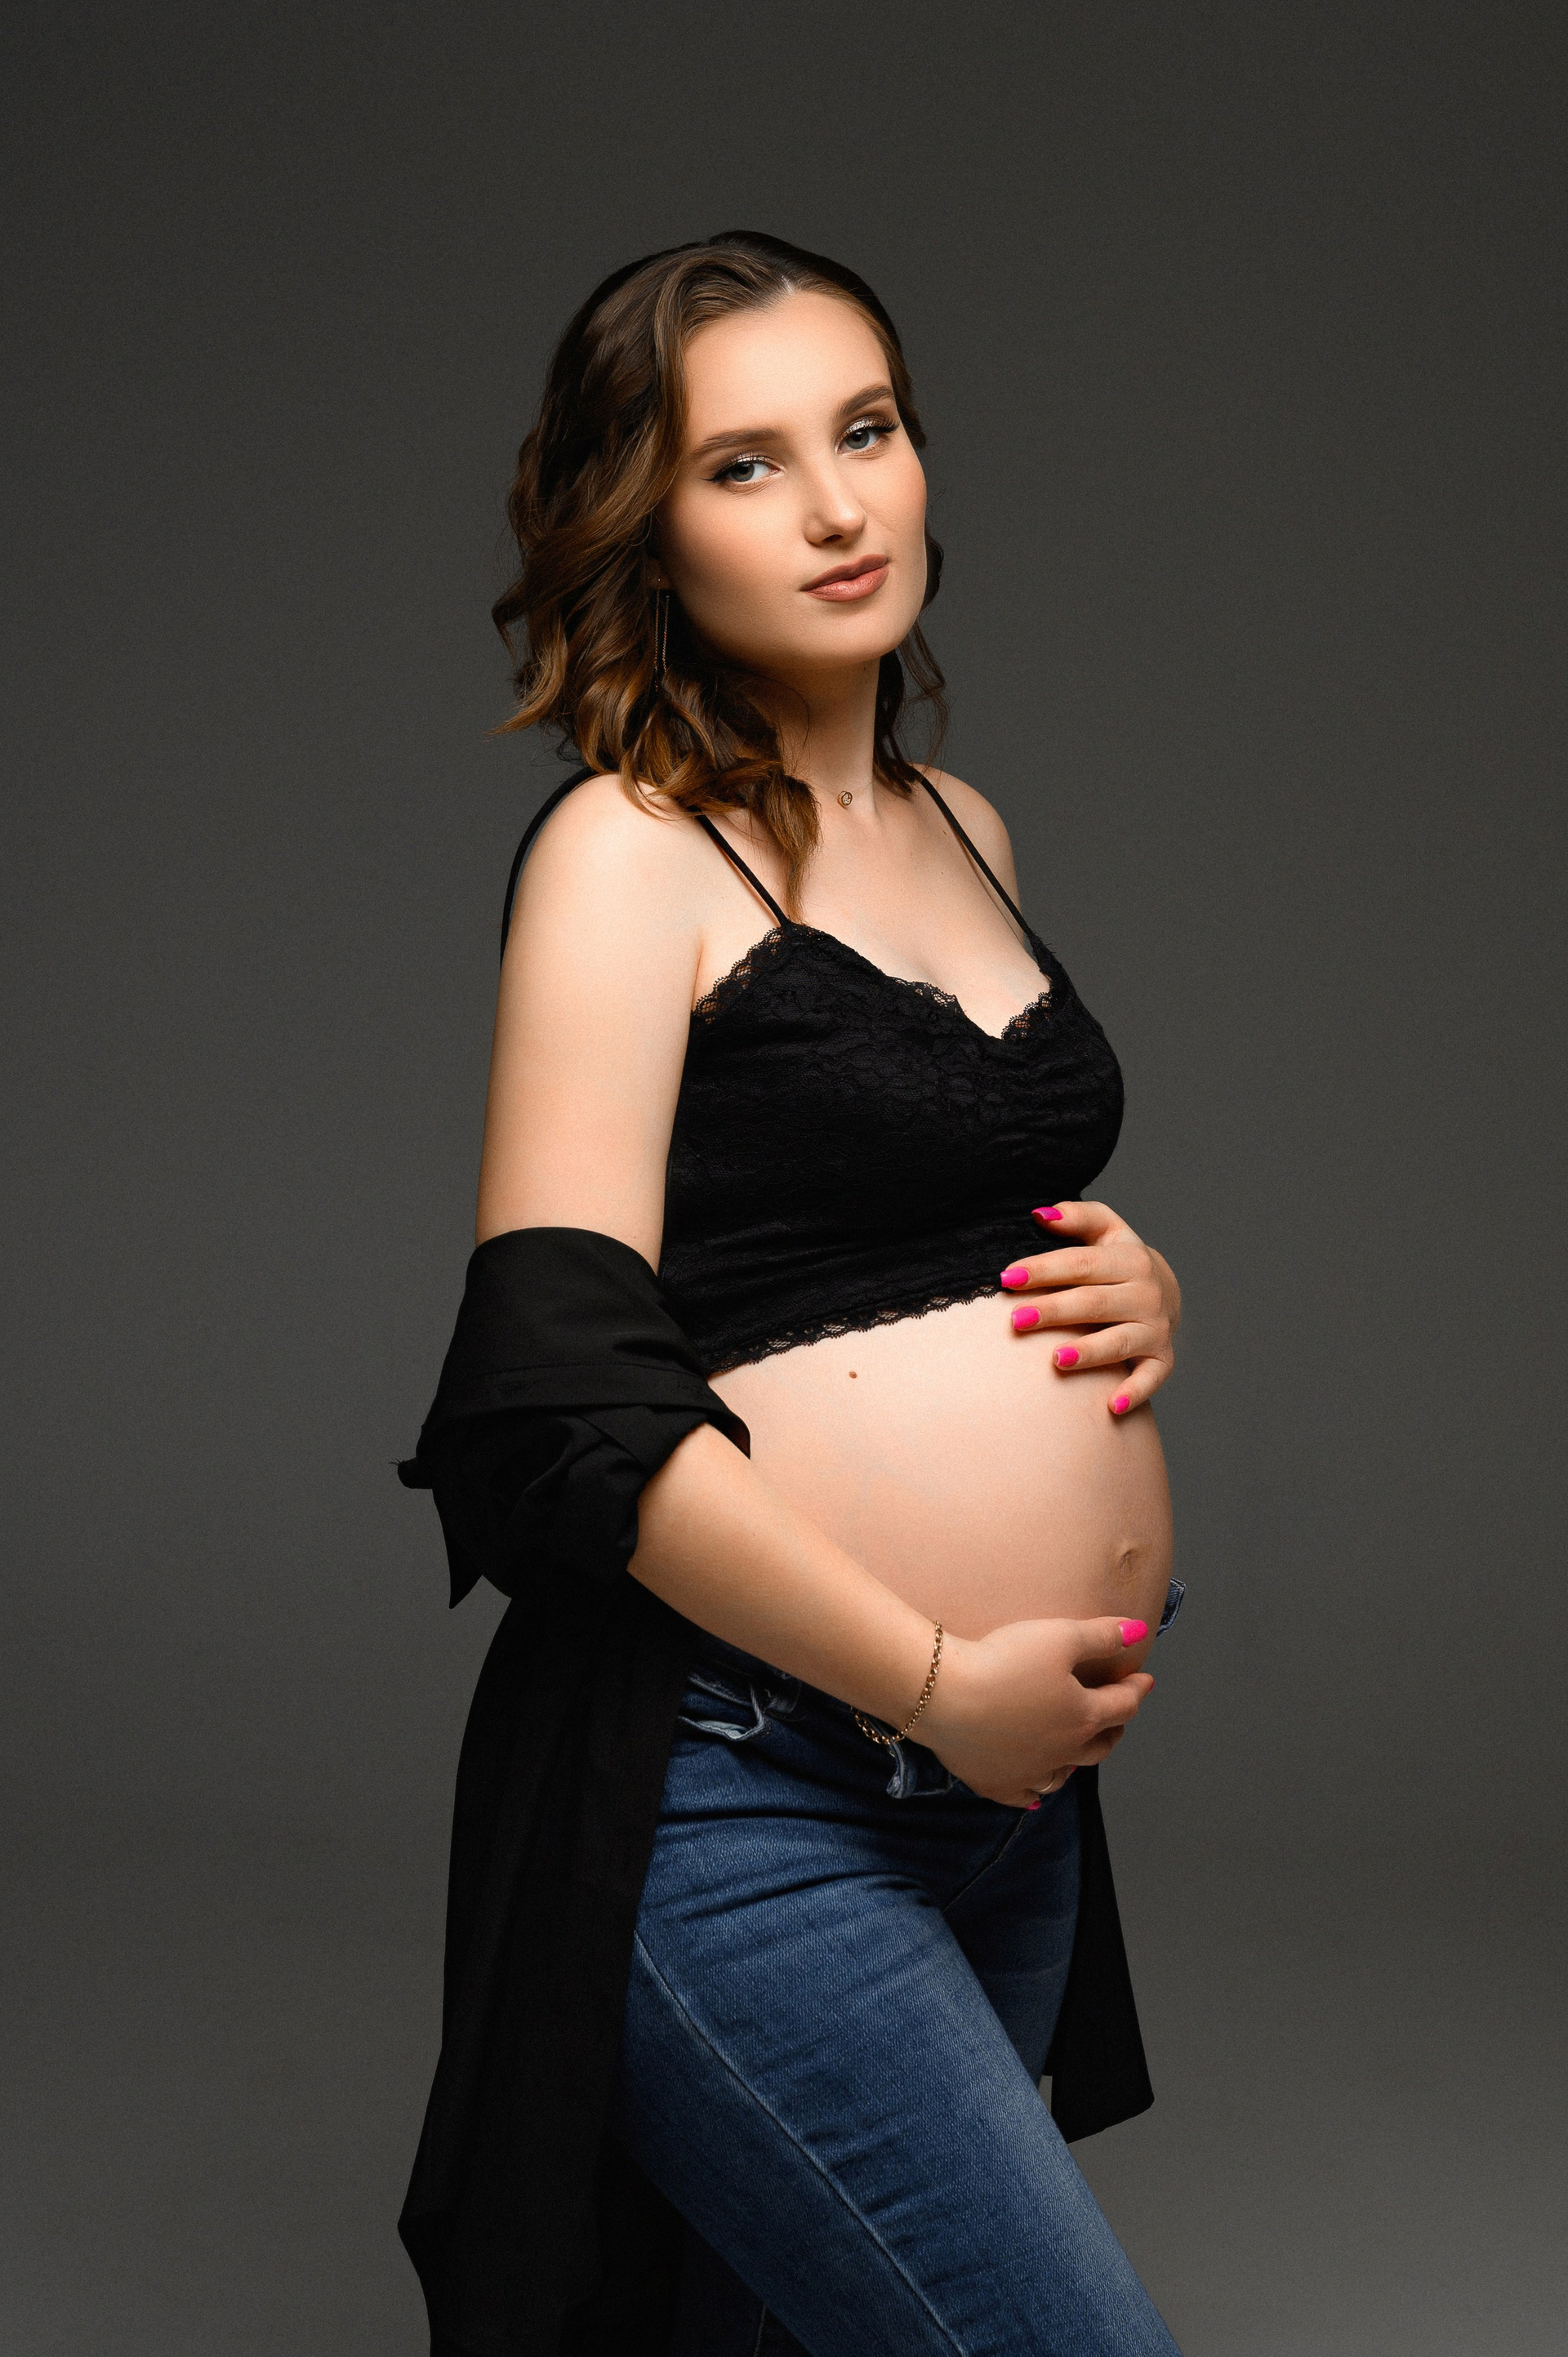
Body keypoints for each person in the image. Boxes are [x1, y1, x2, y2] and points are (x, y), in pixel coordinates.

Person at [398, 232, 1187, 2357]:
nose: (839, 506)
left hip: (1005, 1807)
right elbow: (563, 1396)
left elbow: (913, 1199)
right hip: (747, 1790)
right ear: (642, 529)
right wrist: (932, 1678)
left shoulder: (966, 825)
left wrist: (1139, 1287)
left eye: (868, 429)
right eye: (743, 464)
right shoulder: (628, 853)